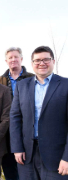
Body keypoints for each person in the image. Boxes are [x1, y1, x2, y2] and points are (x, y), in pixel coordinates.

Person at [10, 46, 68, 180]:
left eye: (46, 59)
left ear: (53, 61)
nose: (41, 63)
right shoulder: (22, 85)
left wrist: (67, 157)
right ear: (32, 64)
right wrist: (17, 148)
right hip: (26, 155)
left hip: (57, 157)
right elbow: (15, 118)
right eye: (37, 60)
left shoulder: (65, 85)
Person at [0, 47, 34, 180]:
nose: (13, 60)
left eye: (16, 57)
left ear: (21, 59)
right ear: (6, 61)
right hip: (5, 133)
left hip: (27, 132)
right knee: (9, 169)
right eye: (10, 58)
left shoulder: (32, 79)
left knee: (27, 169)